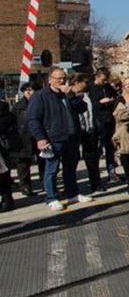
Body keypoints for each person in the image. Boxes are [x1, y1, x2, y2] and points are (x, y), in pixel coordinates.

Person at [27, 67, 93, 211]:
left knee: (70, 168)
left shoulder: (68, 95)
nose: (62, 81)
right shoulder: (41, 96)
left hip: (71, 137)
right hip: (53, 138)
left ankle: (72, 193)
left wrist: (71, 95)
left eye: (64, 78)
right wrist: (40, 138)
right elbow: (33, 119)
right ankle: (51, 197)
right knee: (52, 169)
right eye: (58, 78)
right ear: (50, 80)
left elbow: (82, 108)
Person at [71, 73, 103, 195]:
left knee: (92, 157)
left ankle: (96, 183)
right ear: (77, 83)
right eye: (85, 82)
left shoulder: (89, 94)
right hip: (76, 129)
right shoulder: (69, 95)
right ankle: (71, 187)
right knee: (72, 159)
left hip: (90, 129)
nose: (87, 85)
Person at [11, 83, 43, 196]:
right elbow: (13, 122)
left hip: (39, 135)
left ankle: (45, 183)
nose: (29, 92)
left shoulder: (41, 103)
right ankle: (25, 186)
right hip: (23, 138)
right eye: (26, 90)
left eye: (31, 90)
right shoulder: (18, 106)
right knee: (23, 164)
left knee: (43, 160)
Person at [0, 99, 16, 211]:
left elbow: (7, 121)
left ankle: (7, 200)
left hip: (2, 145)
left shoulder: (2, 106)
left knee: (3, 174)